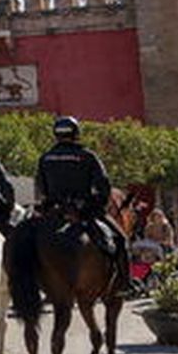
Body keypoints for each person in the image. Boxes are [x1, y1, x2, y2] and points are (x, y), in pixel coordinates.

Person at [33, 116, 127, 280]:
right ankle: (125, 282)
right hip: (84, 210)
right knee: (120, 239)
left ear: (56, 134)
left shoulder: (45, 158)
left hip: (55, 210)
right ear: (76, 134)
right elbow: (103, 185)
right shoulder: (87, 156)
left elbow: (41, 186)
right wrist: (99, 204)